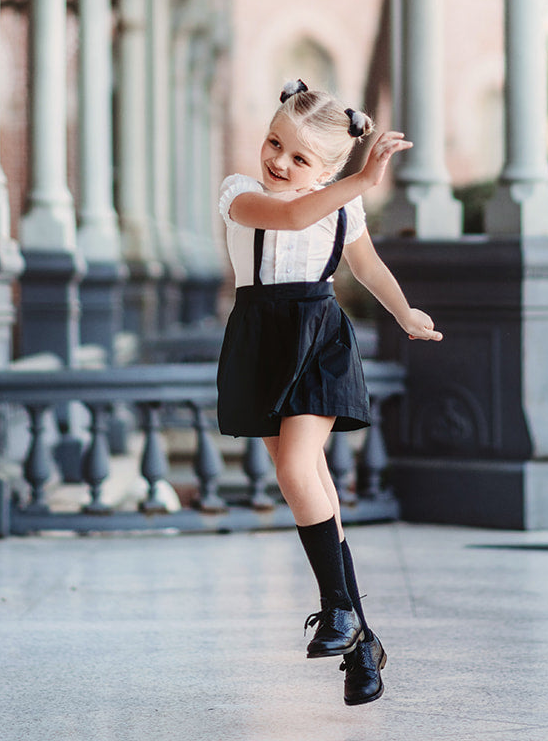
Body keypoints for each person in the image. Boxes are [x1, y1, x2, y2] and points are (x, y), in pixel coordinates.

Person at [216, 79, 442, 707]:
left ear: (329, 168)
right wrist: (361, 181)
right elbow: (289, 214)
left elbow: (364, 265)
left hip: (319, 337)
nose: (278, 163)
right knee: (312, 485)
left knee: (295, 466)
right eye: (273, 142)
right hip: (261, 341)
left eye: (298, 158)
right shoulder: (241, 194)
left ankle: (339, 609)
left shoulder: (344, 206)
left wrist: (403, 313)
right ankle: (361, 640)